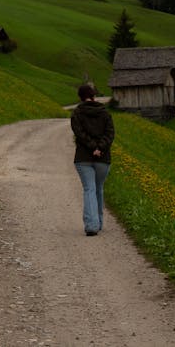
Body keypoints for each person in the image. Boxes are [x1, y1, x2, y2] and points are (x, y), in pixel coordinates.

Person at [70, 82, 115, 236]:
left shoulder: (76, 113)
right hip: (103, 158)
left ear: (80, 97)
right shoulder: (105, 113)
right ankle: (99, 223)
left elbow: (79, 133)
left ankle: (91, 225)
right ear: (93, 96)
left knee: (89, 189)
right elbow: (110, 134)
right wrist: (100, 148)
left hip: (83, 157)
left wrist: (92, 147)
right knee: (98, 188)